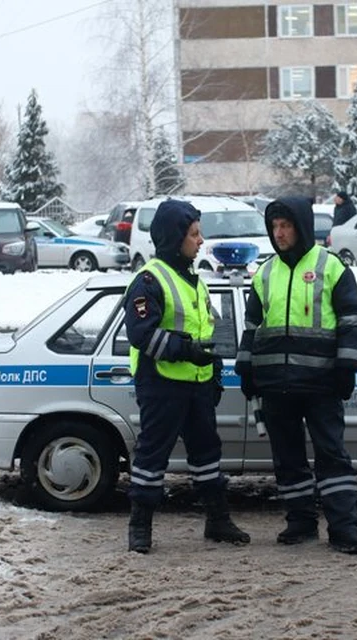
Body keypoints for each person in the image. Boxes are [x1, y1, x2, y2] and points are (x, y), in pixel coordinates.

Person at [235, 196, 357, 555]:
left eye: (286, 226)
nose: (279, 234)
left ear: (302, 227)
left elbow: (353, 322)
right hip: (276, 384)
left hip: (322, 384)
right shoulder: (264, 273)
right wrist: (245, 365)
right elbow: (251, 327)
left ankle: (344, 530)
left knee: (332, 456)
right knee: (288, 458)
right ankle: (300, 523)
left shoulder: (332, 267)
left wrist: (347, 366)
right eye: (274, 227)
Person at [122, 199, 251, 554]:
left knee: (207, 454)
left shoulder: (194, 280)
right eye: (194, 234)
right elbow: (141, 334)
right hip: (161, 383)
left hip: (196, 384)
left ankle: (217, 520)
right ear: (174, 237)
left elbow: (206, 329)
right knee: (151, 457)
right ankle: (140, 526)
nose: (200, 240)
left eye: (199, 232)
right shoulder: (149, 279)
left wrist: (214, 373)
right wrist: (185, 350)